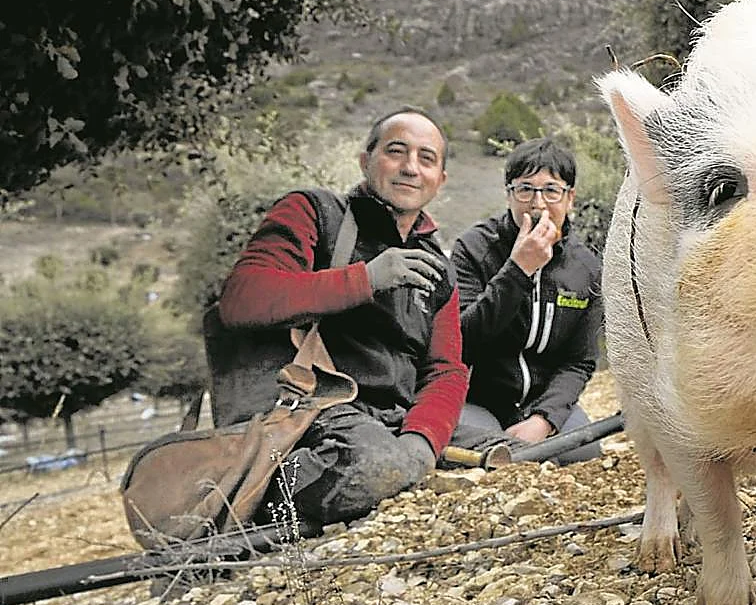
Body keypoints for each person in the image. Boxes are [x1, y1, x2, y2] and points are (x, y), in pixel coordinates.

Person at [208, 107, 509, 529]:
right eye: (396, 151)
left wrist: (422, 442)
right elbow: (242, 300)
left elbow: (446, 370)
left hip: (394, 421)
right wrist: (365, 279)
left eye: (427, 158)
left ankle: (391, 469)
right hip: (314, 411)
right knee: (376, 465)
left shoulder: (438, 266)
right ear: (365, 160)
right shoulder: (312, 212)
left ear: (440, 181)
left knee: (503, 453)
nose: (410, 168)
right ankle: (255, 501)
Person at [451, 137, 604, 464]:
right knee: (477, 451)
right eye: (525, 189)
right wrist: (518, 270)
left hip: (543, 403)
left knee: (584, 453)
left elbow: (579, 361)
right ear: (509, 195)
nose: (538, 204)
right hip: (478, 400)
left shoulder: (586, 268)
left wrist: (544, 420)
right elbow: (461, 339)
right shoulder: (474, 249)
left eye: (551, 190)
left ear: (570, 198)